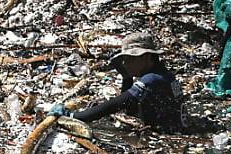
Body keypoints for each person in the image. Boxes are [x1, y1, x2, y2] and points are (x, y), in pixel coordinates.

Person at [52, 32, 187, 132]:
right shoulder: (164, 75)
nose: (125, 64)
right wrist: (127, 78)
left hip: (171, 134)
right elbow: (130, 107)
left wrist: (74, 116)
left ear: (146, 57)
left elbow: (116, 105)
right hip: (179, 128)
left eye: (130, 59)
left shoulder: (151, 80)